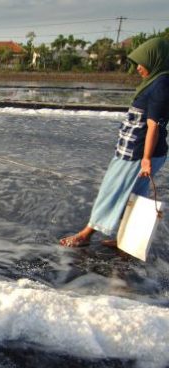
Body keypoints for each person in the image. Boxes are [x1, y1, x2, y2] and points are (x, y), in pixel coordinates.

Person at [60, 37, 169, 248]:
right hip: (142, 151)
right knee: (136, 195)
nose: (138, 67)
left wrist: (145, 159)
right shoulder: (160, 81)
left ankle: (86, 234)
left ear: (154, 60)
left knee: (112, 190)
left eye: (141, 62)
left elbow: (153, 125)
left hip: (136, 153)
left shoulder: (161, 85)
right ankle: (126, 239)